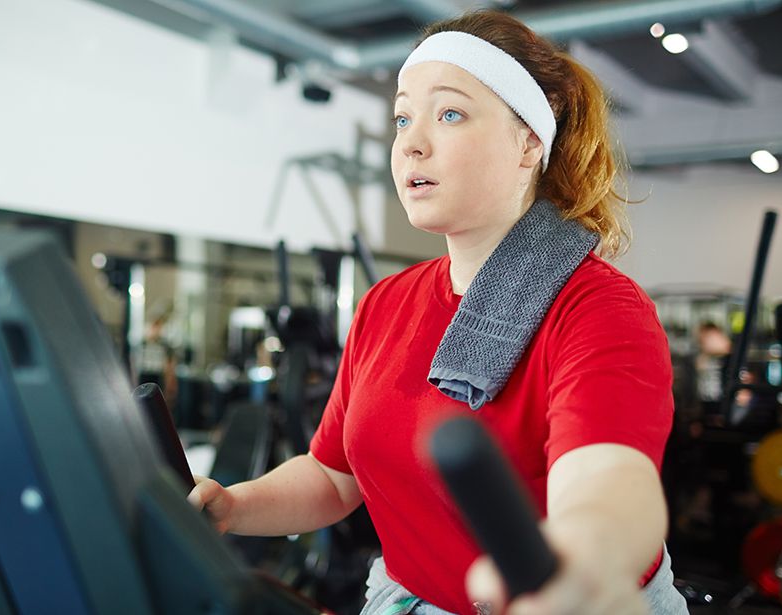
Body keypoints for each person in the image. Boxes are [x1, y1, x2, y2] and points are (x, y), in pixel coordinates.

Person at [189, 10, 686, 615]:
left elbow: (609, 480)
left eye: (450, 113)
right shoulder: (385, 304)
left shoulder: (597, 307)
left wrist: (587, 554)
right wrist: (233, 506)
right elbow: (332, 477)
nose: (411, 143)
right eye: (403, 118)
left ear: (529, 140)